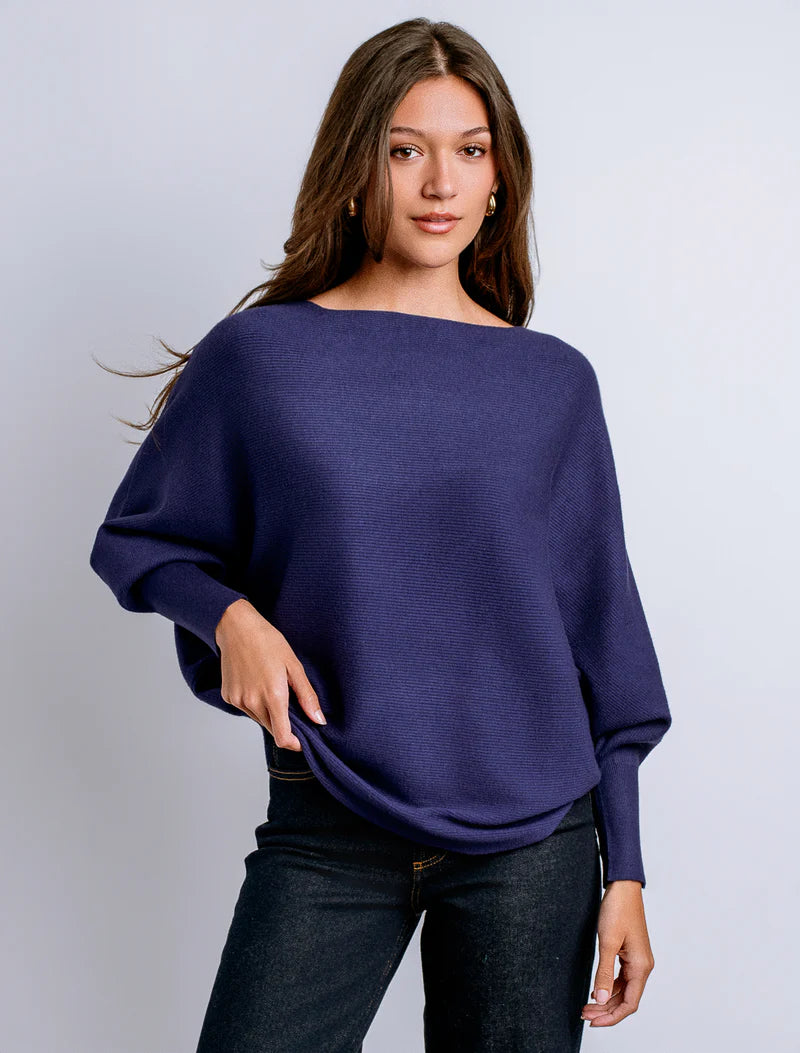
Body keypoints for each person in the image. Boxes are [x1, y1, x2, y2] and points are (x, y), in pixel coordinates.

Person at [89, 17, 672, 1053]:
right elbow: (139, 538)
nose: (439, 183)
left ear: (499, 180)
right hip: (328, 821)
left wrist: (621, 868)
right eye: (406, 150)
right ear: (356, 170)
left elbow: (604, 641)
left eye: (469, 151)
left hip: (534, 840)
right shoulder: (260, 358)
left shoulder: (550, 384)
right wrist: (231, 618)